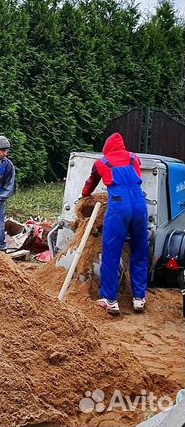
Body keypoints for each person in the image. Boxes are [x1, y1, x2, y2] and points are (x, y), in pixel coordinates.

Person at [81, 132, 149, 315]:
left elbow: (90, 183)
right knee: (140, 251)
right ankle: (139, 299)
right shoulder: (134, 158)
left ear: (106, 148)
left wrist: (85, 195)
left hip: (119, 205)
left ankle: (110, 300)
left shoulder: (101, 163)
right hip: (140, 204)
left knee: (111, 252)